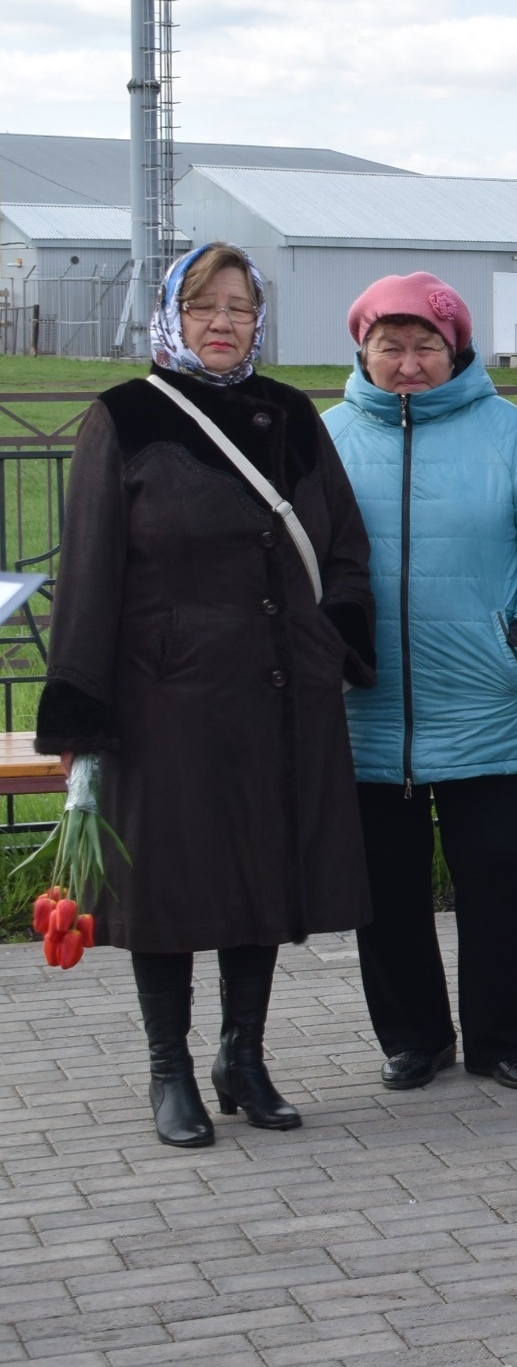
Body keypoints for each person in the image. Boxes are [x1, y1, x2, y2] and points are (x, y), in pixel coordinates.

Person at [36, 242, 375, 1147]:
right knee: (172, 887)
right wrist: (79, 705)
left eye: (238, 308)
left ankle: (244, 1055)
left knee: (262, 875)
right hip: (167, 698)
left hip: (281, 692)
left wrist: (335, 636)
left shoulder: (293, 414)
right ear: (169, 318)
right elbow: (91, 569)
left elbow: (341, 543)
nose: (223, 324)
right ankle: (169, 1070)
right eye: (203, 308)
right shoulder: (126, 419)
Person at [325, 274, 517, 1094]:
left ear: (456, 350)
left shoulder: (509, 434)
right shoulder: (324, 438)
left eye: (425, 347)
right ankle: (414, 1037)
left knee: (496, 884)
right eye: (389, 347)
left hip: (486, 695)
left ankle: (502, 1039)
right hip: (368, 706)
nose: (408, 364)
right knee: (387, 892)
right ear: (363, 351)